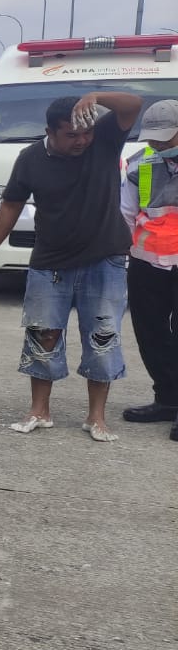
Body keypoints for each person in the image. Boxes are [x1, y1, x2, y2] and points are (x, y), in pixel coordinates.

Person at [0, 90, 143, 441]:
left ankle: (96, 417)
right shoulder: (30, 159)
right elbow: (11, 206)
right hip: (51, 262)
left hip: (104, 259)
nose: (81, 141)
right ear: (50, 132)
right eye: (71, 135)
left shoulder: (104, 139)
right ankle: (39, 411)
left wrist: (97, 96)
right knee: (42, 334)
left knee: (102, 337)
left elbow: (133, 105)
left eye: (85, 133)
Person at [119, 99, 178, 437]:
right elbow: (127, 213)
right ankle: (167, 399)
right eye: (154, 138)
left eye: (165, 139)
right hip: (147, 263)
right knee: (150, 334)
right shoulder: (139, 164)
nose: (157, 145)